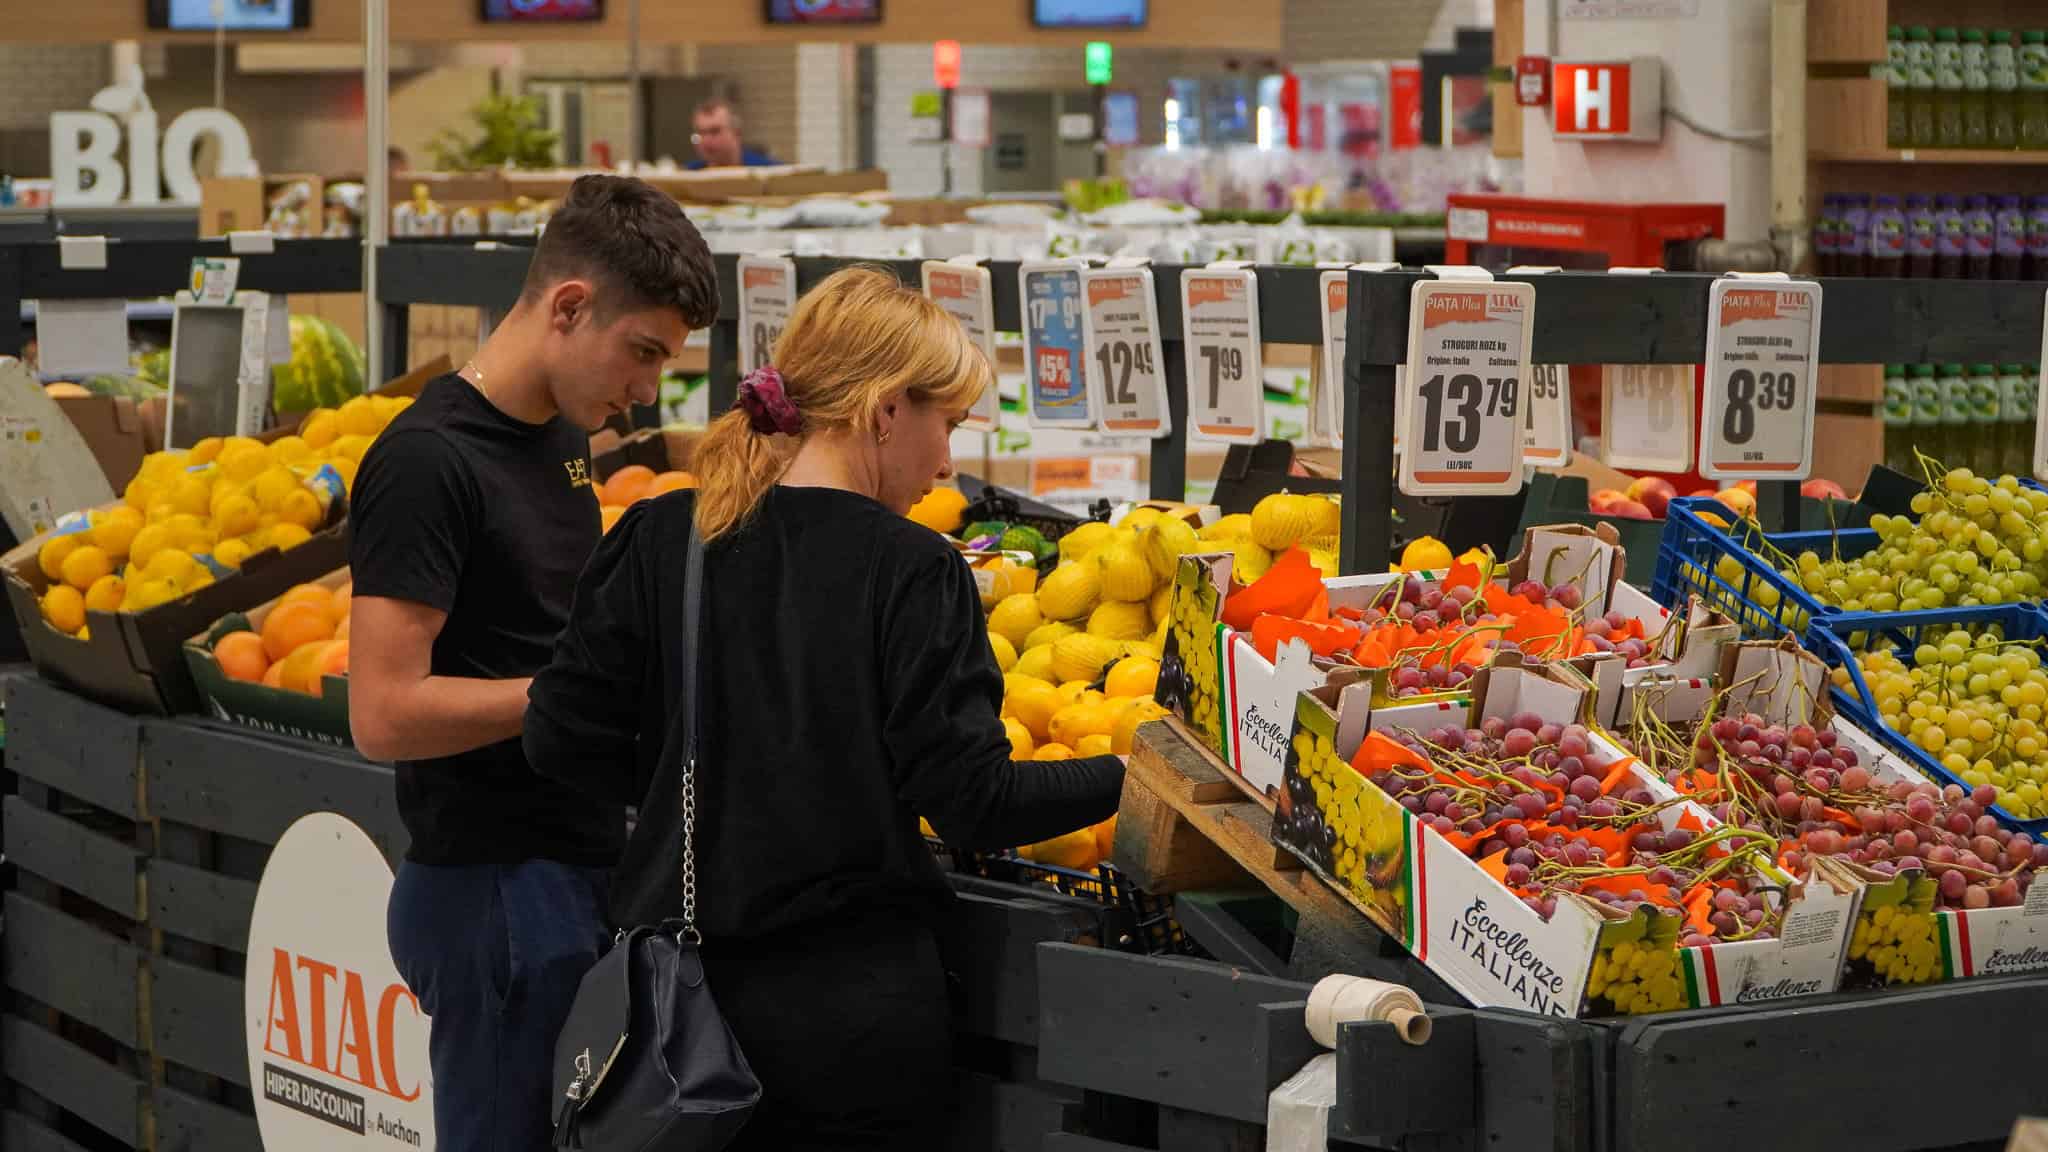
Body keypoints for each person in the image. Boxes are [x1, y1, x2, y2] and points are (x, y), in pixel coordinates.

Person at [525, 268, 1123, 1150]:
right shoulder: (914, 570)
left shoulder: (660, 537)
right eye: (946, 425)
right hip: (852, 1023)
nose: (948, 463)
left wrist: (687, 789)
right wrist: (1129, 779)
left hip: (676, 1014)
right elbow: (972, 803)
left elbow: (557, 740)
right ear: (885, 412)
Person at [347, 174, 719, 1152]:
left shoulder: (559, 438)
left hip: (570, 867)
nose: (646, 389)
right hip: (493, 889)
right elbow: (381, 712)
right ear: (566, 305)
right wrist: (566, 697)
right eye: (641, 353)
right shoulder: (428, 460)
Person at [687, 98, 779, 168]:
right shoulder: (687, 177)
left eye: (715, 131)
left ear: (736, 132)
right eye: (701, 133)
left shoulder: (770, 173)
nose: (706, 140)